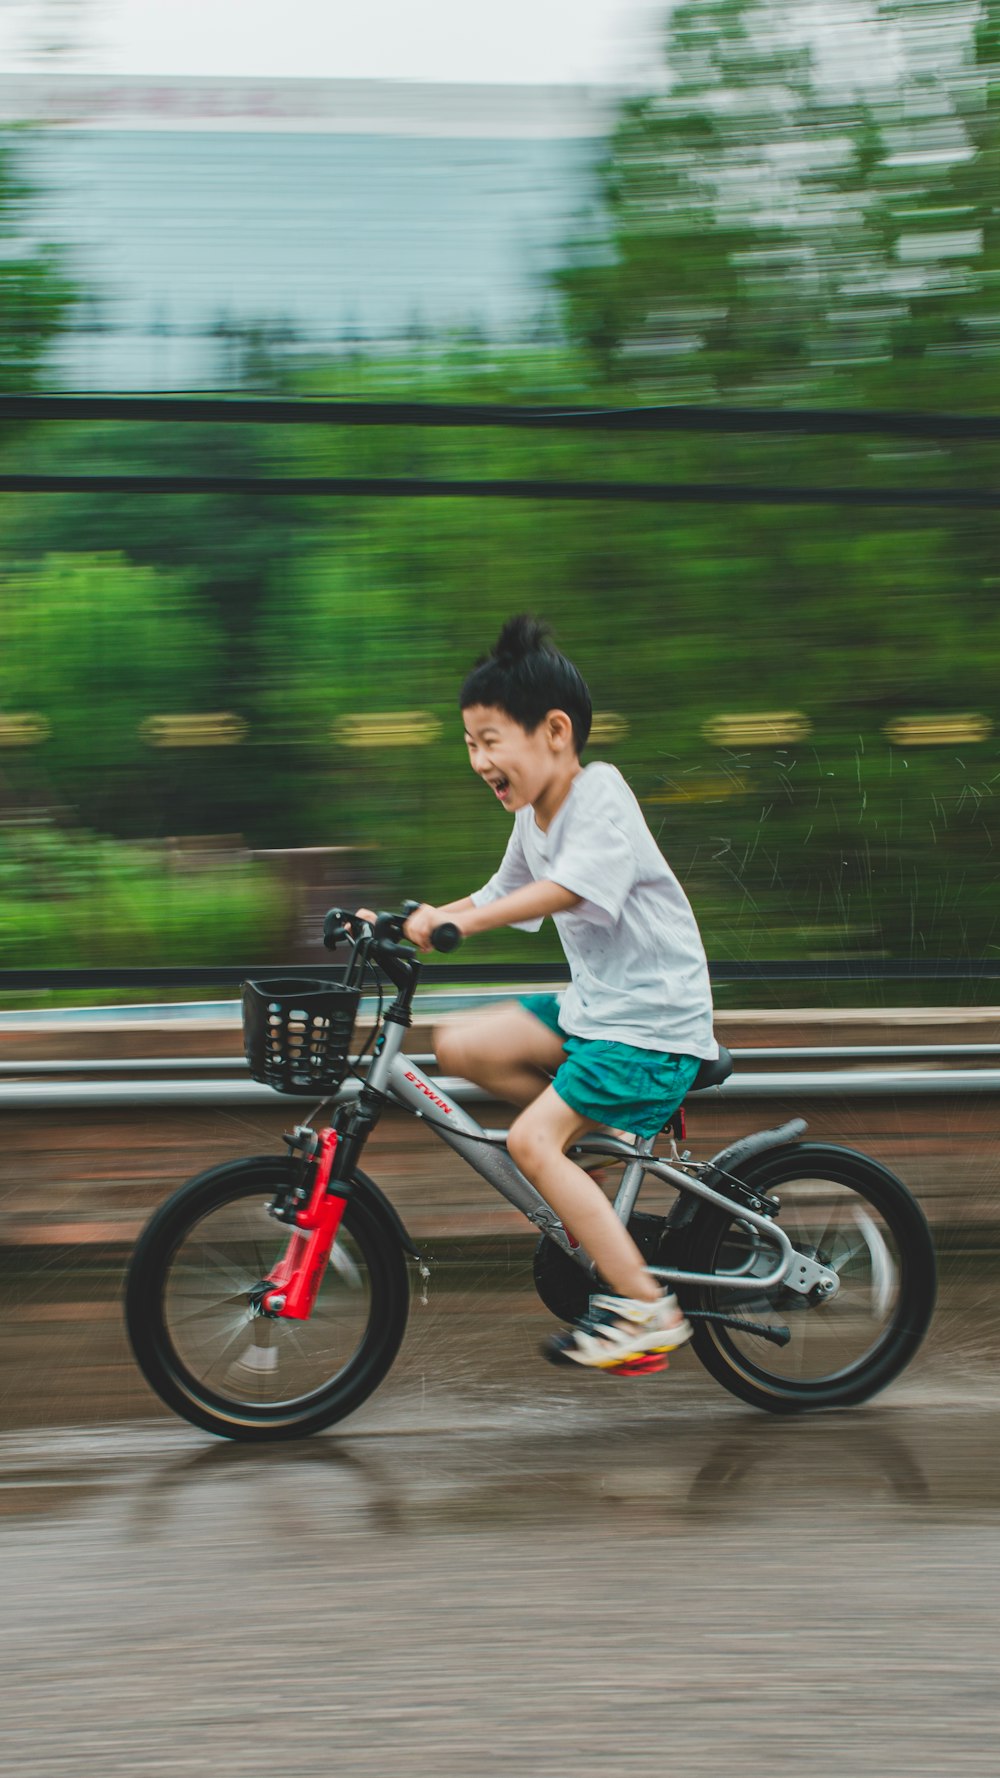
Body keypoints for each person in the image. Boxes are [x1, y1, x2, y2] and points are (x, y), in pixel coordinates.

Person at [403, 615, 718, 1374]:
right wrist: (423, 916)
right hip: (599, 1012)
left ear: (554, 731)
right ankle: (590, 1161)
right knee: (460, 1044)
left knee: (529, 1143)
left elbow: (570, 891)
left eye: (488, 740)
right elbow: (499, 891)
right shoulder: (533, 816)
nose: (477, 759)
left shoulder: (600, 793)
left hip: (651, 1027)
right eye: (469, 742)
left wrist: (462, 928)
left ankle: (646, 1310)